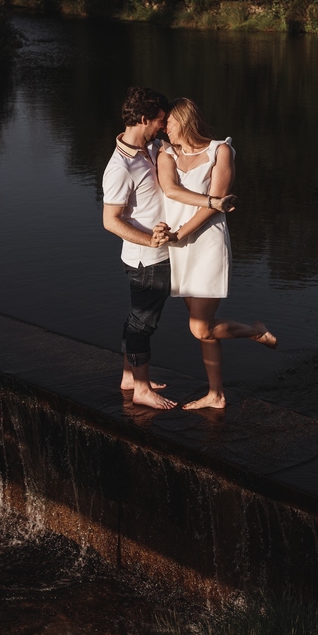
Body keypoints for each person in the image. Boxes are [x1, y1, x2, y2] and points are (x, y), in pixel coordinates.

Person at [102, 87, 236, 410]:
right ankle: (142, 388)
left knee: (137, 318)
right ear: (144, 120)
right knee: (143, 323)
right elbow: (110, 221)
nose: (163, 127)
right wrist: (151, 240)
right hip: (148, 257)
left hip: (166, 250)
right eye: (160, 122)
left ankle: (128, 377)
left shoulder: (150, 149)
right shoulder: (120, 167)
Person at [157, 98, 277, 410]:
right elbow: (169, 188)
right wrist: (176, 236)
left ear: (183, 120)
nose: (163, 127)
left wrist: (181, 233)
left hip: (206, 242)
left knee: (200, 327)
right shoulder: (166, 152)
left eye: (167, 122)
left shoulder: (220, 151)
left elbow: (217, 200)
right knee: (203, 328)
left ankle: (255, 331)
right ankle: (216, 394)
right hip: (178, 245)